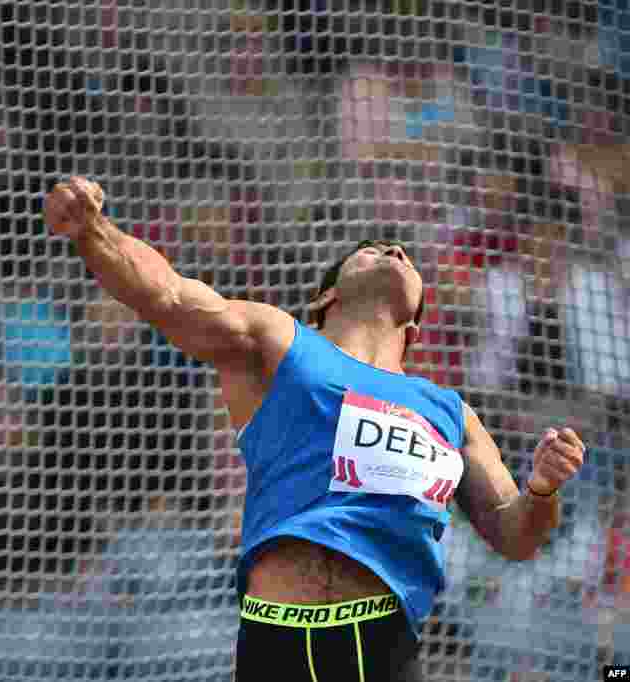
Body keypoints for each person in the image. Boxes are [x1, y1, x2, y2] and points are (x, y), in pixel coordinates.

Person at [42, 176, 588, 681]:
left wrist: (541, 487)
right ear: (326, 299)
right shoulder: (282, 344)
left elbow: (516, 535)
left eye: (403, 254)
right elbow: (168, 295)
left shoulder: (450, 412)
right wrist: (93, 230)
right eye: (370, 250)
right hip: (272, 636)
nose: (394, 251)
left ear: (414, 328)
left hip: (383, 641)